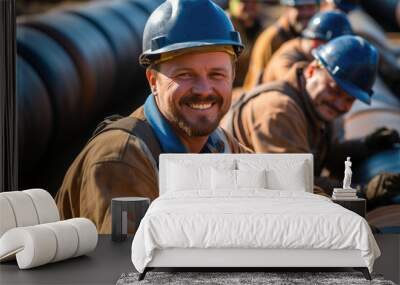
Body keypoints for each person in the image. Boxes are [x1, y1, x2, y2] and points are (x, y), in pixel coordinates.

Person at [55, 0, 250, 234]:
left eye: (217, 74)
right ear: (153, 81)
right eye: (185, 75)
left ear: (233, 76)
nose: (204, 89)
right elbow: (127, 266)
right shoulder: (121, 160)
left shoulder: (218, 143)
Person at [221, 35, 400, 195]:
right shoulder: (278, 112)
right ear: (312, 70)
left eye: (349, 99)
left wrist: (365, 146)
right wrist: (361, 193)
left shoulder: (314, 106)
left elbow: (322, 156)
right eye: (334, 90)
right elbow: (294, 186)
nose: (339, 104)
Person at [242, 0, 319, 91]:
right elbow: (256, 83)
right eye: (300, 8)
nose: (306, 13)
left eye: (310, 7)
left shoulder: (310, 37)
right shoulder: (270, 39)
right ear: (286, 9)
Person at [263, 10, 353, 83]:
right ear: (316, 43)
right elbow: (293, 88)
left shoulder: (306, 52)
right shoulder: (286, 60)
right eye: (335, 49)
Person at [228, 0, 263, 87]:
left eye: (253, 2)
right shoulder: (225, 27)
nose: (250, 5)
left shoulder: (259, 28)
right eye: (244, 1)